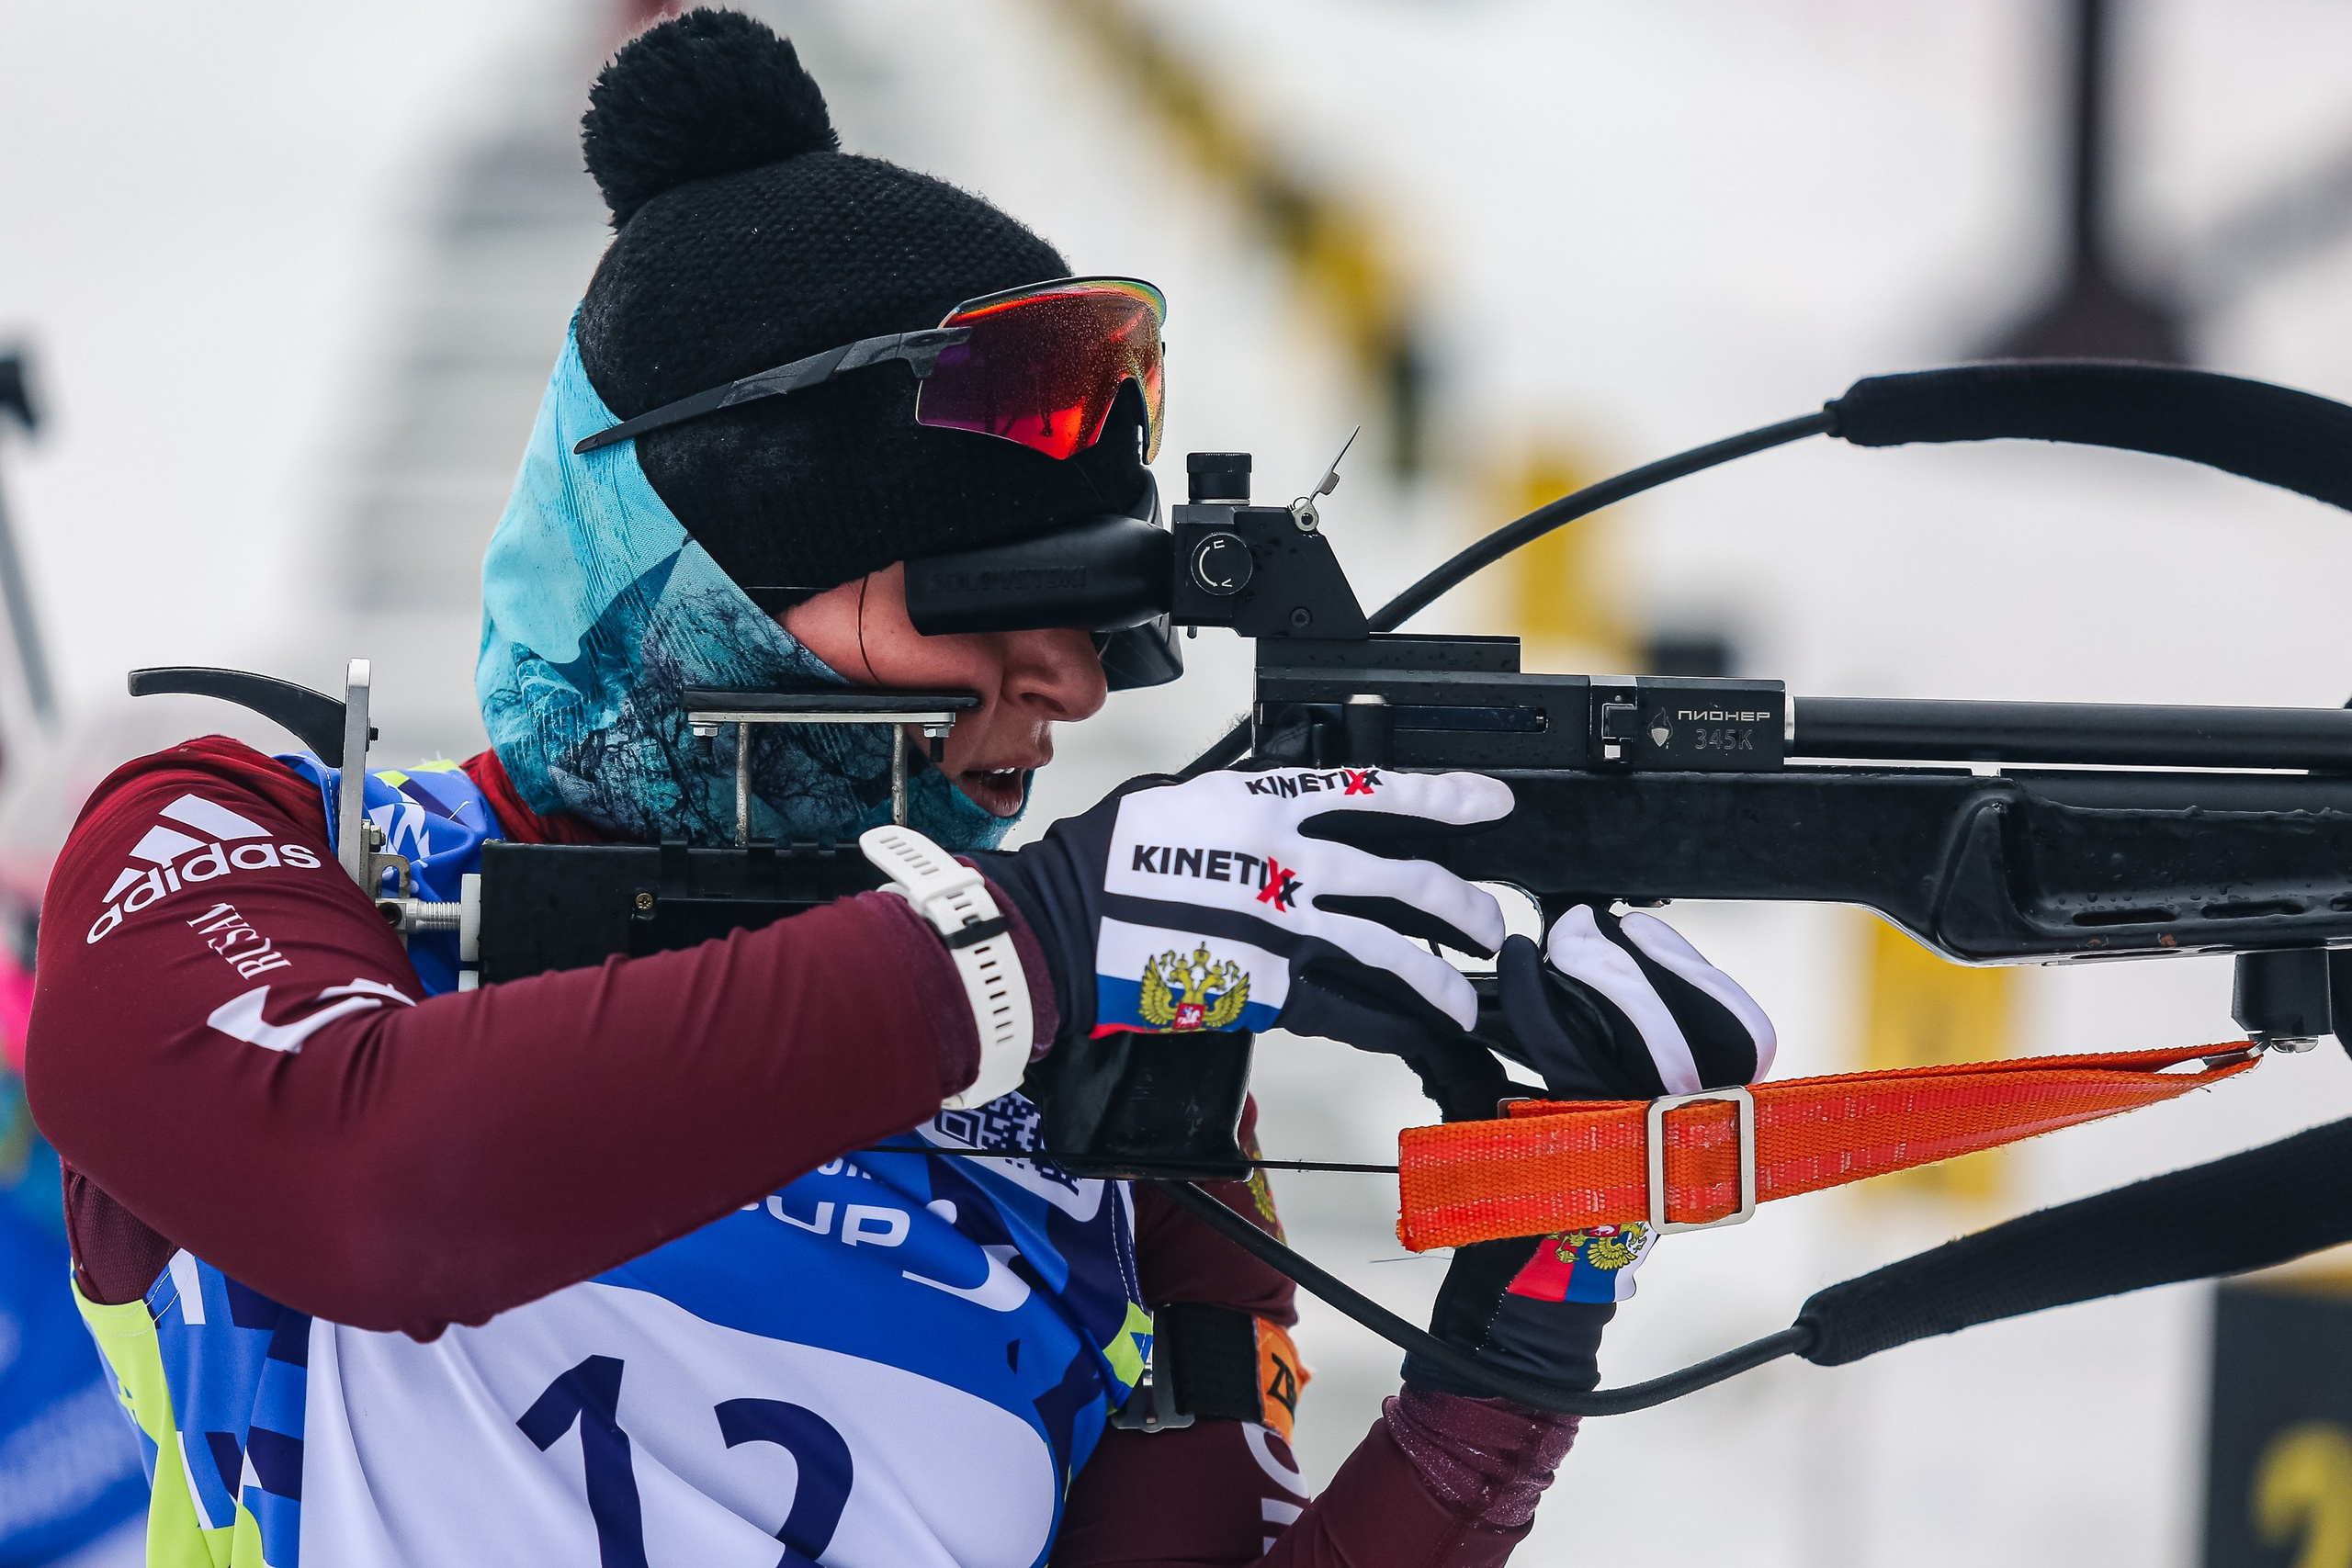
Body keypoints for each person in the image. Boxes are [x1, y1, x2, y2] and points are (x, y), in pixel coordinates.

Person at [25, 14, 1775, 1566]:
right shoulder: (249, 842)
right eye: (998, 597)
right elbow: (374, 1189)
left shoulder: (1102, 1064)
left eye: (1101, 620)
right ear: (700, 574)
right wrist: (1020, 952)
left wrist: (1523, 1330)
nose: (1073, 682)